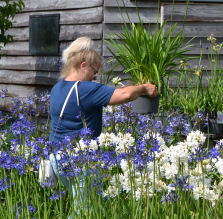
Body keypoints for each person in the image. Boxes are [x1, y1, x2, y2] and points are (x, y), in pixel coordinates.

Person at [48, 37, 158, 216]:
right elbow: (125, 94)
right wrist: (145, 87)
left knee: (79, 209)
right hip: (80, 159)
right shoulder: (86, 89)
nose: (95, 76)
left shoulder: (57, 88)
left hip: (56, 158)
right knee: (84, 212)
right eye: (94, 70)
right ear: (83, 65)